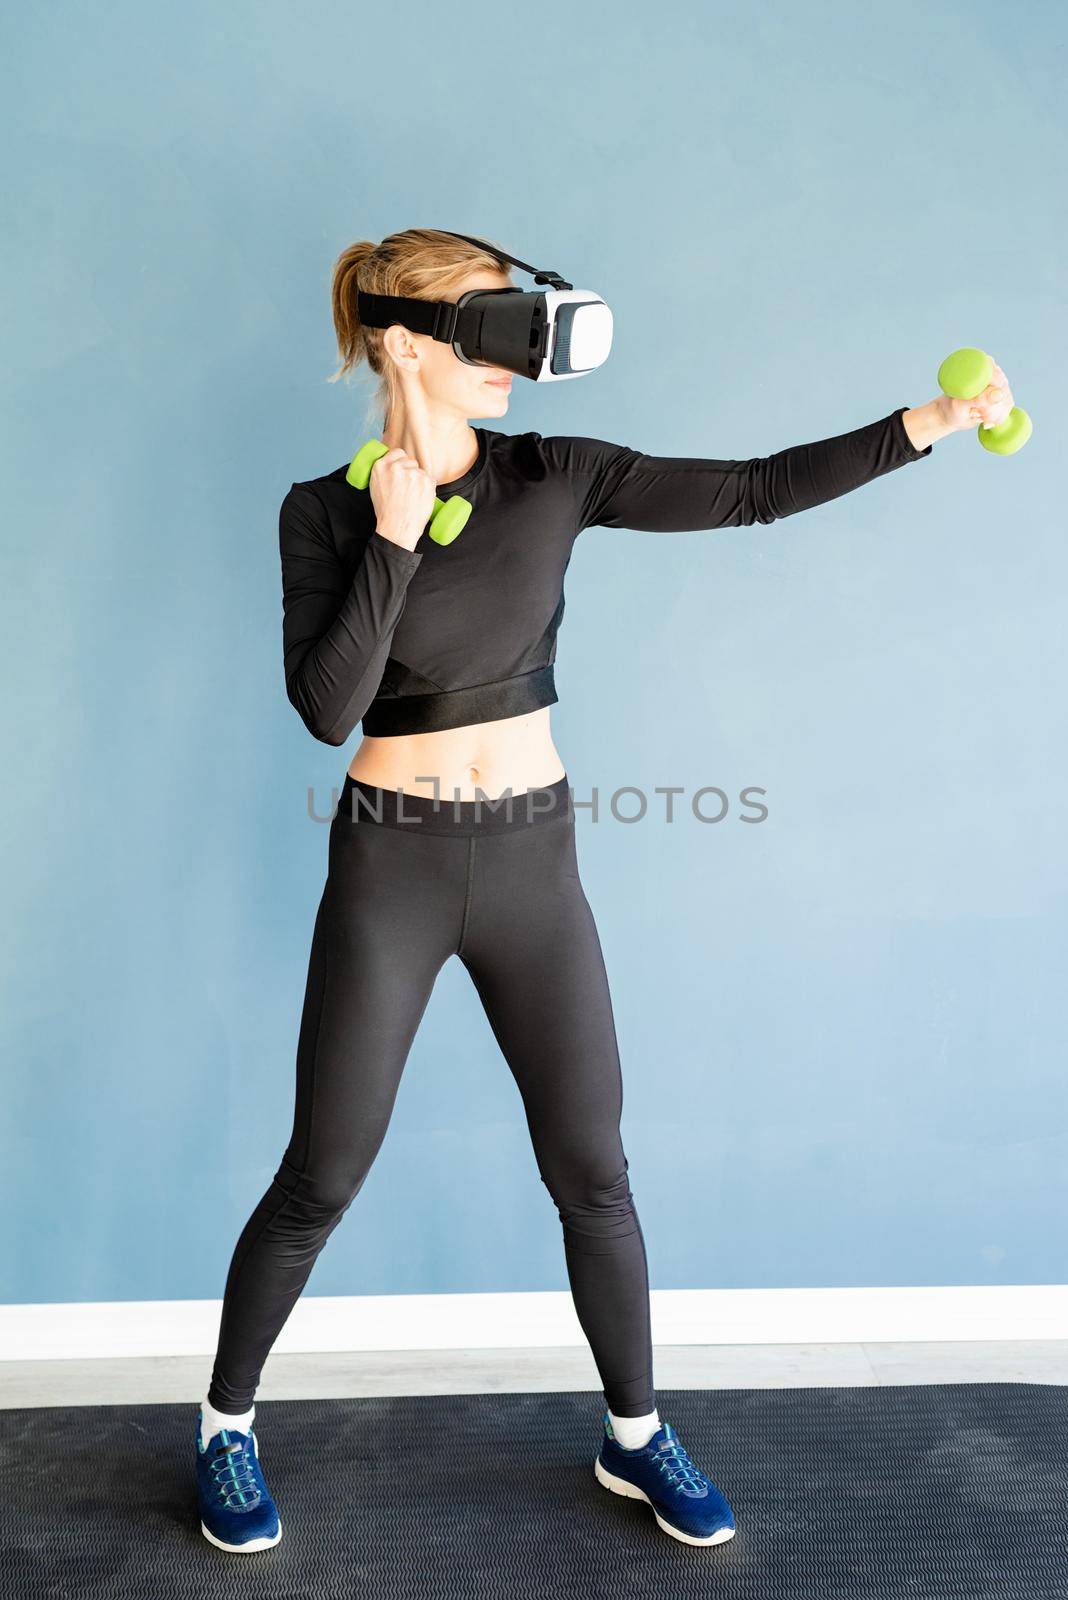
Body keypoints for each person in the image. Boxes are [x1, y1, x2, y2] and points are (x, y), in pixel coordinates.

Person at [194, 227, 1015, 1554]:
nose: (519, 358)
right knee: (323, 1172)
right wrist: (394, 542)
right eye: (488, 329)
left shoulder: (556, 476)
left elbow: (749, 490)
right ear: (406, 341)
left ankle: (634, 1436)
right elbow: (325, 708)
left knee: (594, 1168)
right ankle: (225, 1426)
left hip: (532, 857)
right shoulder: (325, 510)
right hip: (392, 862)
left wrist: (926, 421)